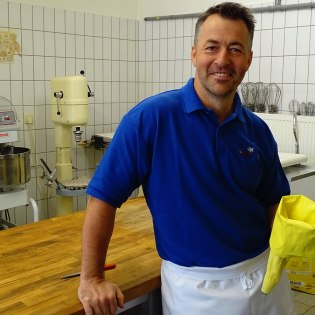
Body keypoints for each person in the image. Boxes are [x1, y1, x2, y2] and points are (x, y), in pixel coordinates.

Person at [78, 2, 296, 315]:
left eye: (235, 49)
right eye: (212, 47)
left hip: (266, 279)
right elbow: (102, 198)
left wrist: (290, 243)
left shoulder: (257, 130)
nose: (222, 59)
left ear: (248, 59)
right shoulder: (150, 119)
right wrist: (93, 277)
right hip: (196, 289)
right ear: (194, 53)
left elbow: (274, 201)